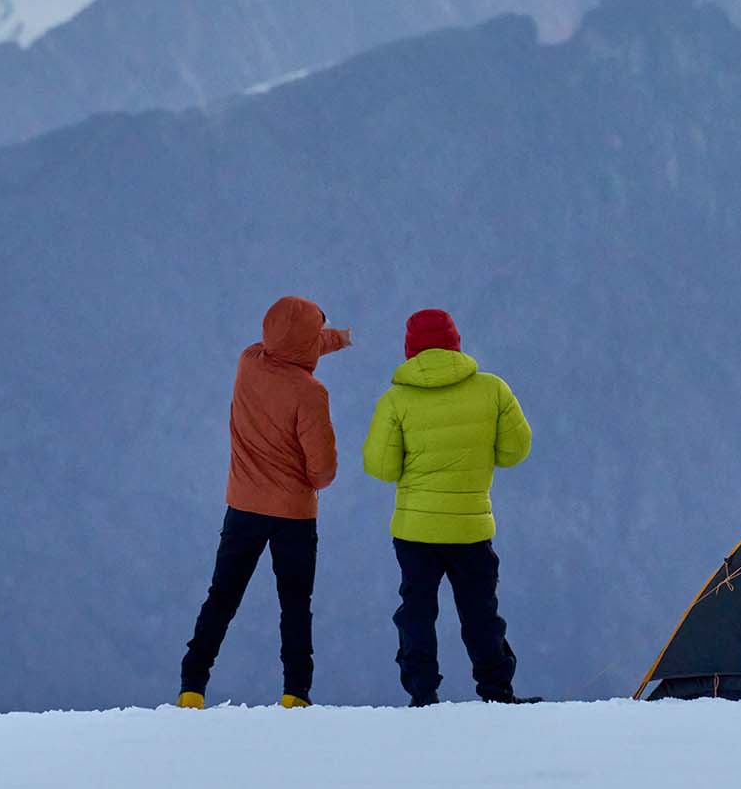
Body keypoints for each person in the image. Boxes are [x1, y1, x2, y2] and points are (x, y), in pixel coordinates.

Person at [176, 296, 350, 709]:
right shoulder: (311, 393)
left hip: (244, 508)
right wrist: (307, 482)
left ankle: (192, 687)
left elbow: (291, 343)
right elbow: (323, 471)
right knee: (294, 605)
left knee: (222, 597)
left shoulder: (248, 362)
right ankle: (295, 693)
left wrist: (338, 339)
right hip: (294, 515)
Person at [361, 307, 537, 706]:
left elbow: (381, 467)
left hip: (415, 530)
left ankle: (422, 695)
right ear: (456, 342)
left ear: (410, 349)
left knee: (417, 613)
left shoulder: (396, 400)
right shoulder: (492, 389)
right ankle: (497, 692)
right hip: (471, 528)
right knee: (480, 613)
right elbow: (515, 451)